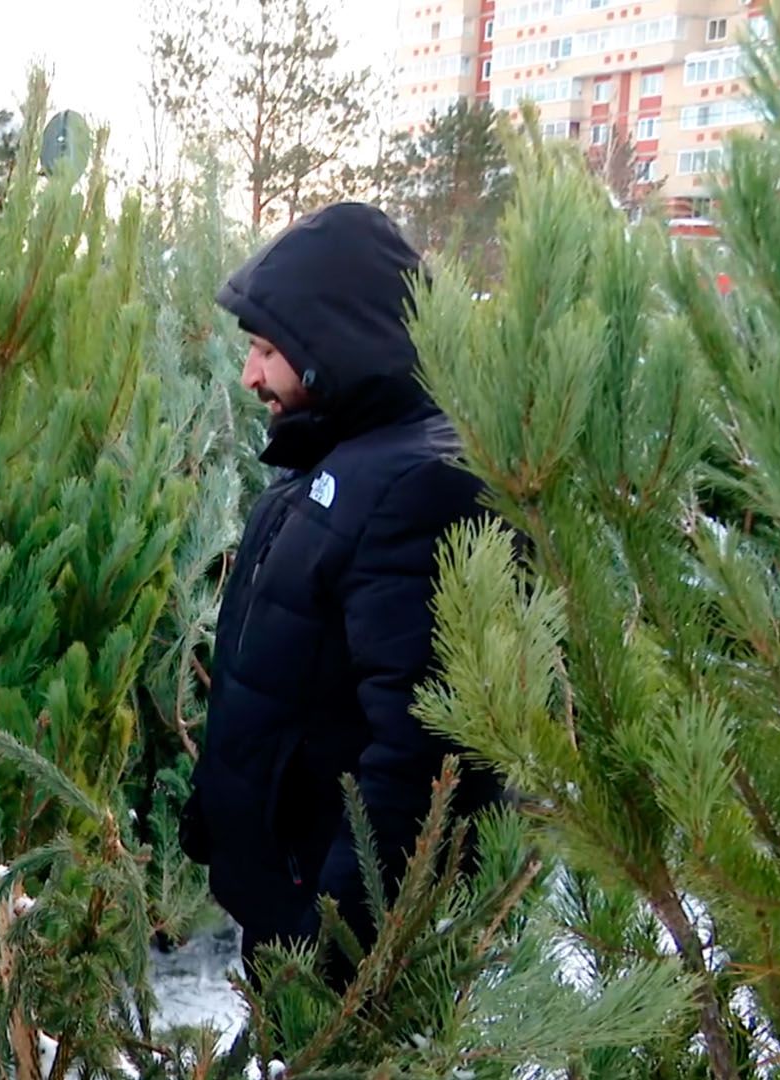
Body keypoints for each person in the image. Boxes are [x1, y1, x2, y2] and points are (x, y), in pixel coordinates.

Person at [180, 202, 504, 972]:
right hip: (288, 894)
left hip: (329, 935)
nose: (249, 373)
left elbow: (424, 761)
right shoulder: (340, 461)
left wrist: (336, 949)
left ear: (333, 347)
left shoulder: (418, 486)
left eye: (265, 348)